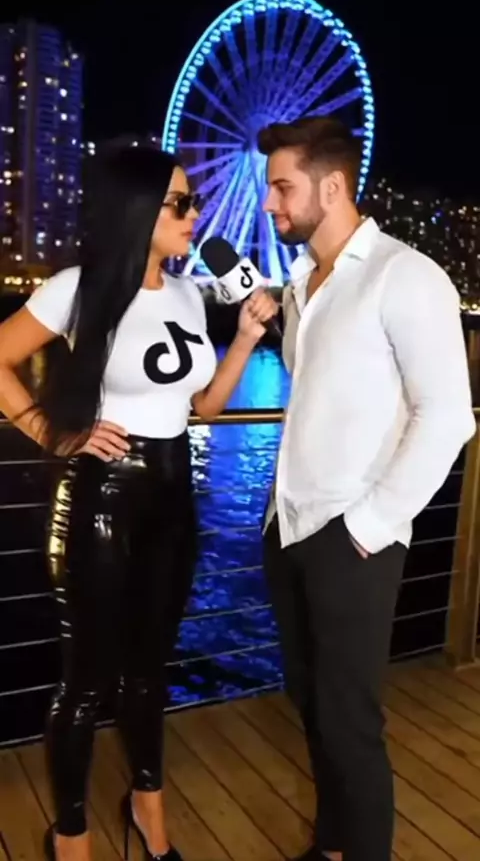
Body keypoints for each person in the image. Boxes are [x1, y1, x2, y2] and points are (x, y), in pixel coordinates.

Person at [0, 144, 278, 861]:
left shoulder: (187, 294)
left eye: (193, 201)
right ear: (137, 209)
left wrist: (246, 338)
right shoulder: (78, 288)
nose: (195, 214)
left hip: (173, 497)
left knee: (151, 670)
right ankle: (70, 835)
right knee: (87, 682)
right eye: (180, 203)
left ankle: (149, 811)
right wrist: (53, 434)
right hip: (102, 497)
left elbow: (202, 408)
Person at [257, 116, 475, 861]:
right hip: (289, 526)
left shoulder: (405, 276)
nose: (271, 203)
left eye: (282, 187)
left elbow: (448, 415)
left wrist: (368, 526)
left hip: (351, 536)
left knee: (350, 722)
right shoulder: (303, 284)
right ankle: (332, 847)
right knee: (312, 704)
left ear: (331, 187)